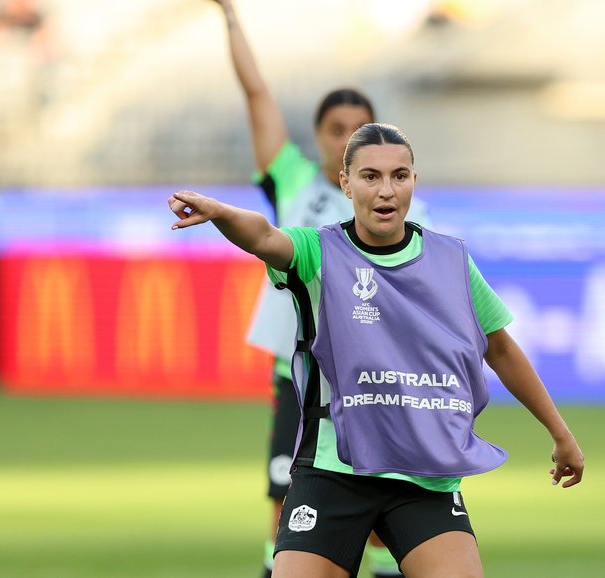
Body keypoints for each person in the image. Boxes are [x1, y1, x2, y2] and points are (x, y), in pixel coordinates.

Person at [168, 122, 585, 578]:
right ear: (346, 183)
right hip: (332, 471)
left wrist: (561, 433)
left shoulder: (451, 261)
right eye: (370, 177)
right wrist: (221, 213)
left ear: (414, 181)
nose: (386, 191)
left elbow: (501, 350)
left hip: (422, 473)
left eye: (399, 176)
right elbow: (265, 236)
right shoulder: (318, 252)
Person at [207, 2, 429, 576]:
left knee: (384, 514)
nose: (344, 140)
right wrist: (230, 17)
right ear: (319, 136)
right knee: (286, 508)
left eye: (356, 130)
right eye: (335, 130)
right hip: (301, 376)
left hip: (372, 381)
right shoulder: (294, 180)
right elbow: (257, 94)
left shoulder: (399, 207)